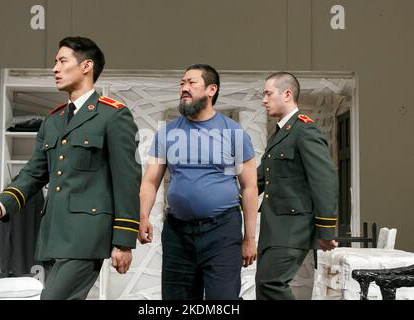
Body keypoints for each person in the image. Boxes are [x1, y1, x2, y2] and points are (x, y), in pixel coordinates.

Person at [0, 36, 141, 300]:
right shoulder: (53, 121)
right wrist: (2, 203)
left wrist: (123, 241)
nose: (55, 68)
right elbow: (33, 173)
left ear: (86, 66)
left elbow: (127, 180)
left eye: (63, 61)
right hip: (52, 234)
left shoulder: (113, 115)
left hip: (86, 235)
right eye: (55, 62)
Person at [138, 64, 258, 300]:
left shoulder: (233, 132)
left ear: (211, 90)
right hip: (177, 233)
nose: (184, 88)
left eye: (191, 83)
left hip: (222, 232)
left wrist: (249, 239)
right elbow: (150, 181)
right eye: (182, 83)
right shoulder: (167, 133)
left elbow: (250, 186)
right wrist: (143, 216)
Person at [255, 71, 339, 300]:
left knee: (271, 283)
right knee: (264, 286)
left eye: (268, 93)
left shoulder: (305, 129)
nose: (264, 100)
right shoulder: (280, 133)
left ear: (287, 94)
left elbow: (324, 180)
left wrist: (326, 229)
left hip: (293, 228)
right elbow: (260, 178)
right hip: (275, 227)